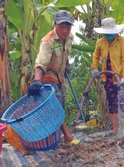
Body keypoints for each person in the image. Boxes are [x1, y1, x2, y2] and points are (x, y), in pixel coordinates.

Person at [28, 10, 80, 145]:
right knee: (56, 108)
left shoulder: (70, 38)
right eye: (62, 26)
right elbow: (40, 64)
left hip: (59, 78)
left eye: (68, 27)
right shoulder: (47, 41)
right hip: (47, 79)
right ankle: (67, 137)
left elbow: (65, 53)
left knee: (60, 108)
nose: (65, 30)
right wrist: (37, 80)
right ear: (55, 24)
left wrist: (67, 64)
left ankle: (54, 139)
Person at [91, 17, 124, 136]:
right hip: (108, 78)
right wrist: (94, 67)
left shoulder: (123, 41)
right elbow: (96, 55)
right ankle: (115, 129)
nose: (109, 35)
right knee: (112, 104)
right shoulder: (100, 42)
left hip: (122, 78)